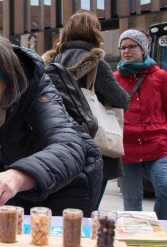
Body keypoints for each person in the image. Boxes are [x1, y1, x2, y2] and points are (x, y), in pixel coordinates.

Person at [0, 30, 103, 216]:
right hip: (18, 191)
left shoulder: (38, 92)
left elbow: (69, 146)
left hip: (71, 183)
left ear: (8, 83)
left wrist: (16, 176)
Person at [42, 10, 130, 210]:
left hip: (57, 145)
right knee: (87, 210)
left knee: (61, 208)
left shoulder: (50, 64)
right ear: (94, 33)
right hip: (93, 145)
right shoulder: (97, 65)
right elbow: (123, 101)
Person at [114, 29, 167, 220]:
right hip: (126, 148)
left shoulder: (160, 76)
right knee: (132, 202)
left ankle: (162, 229)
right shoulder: (115, 78)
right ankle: (137, 242)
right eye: (123, 47)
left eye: (131, 46)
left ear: (143, 48)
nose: (126, 51)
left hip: (158, 144)